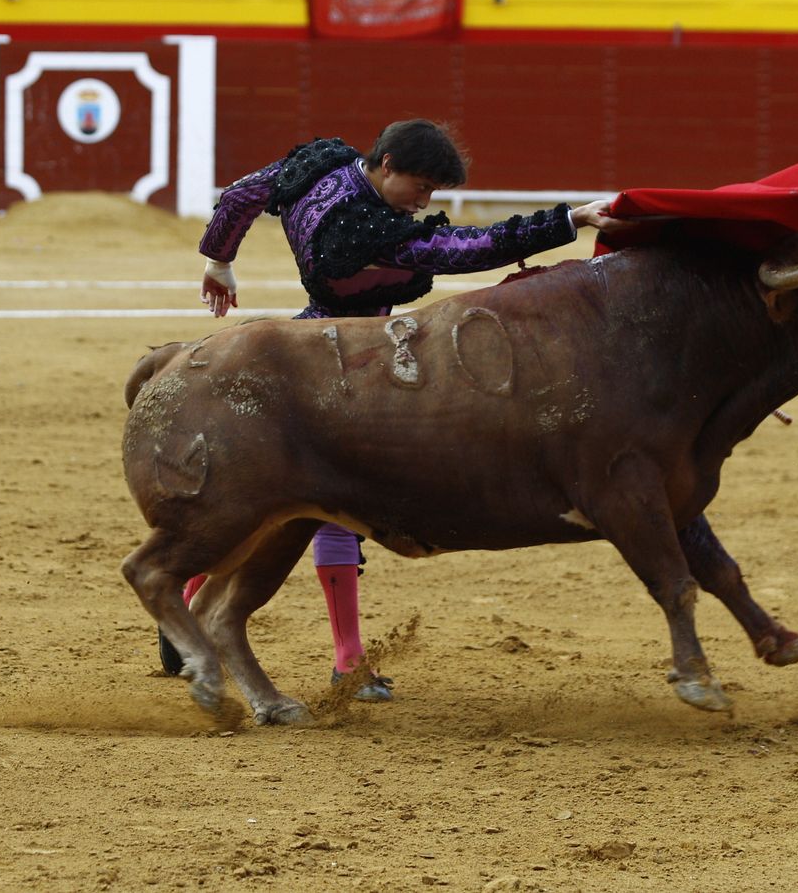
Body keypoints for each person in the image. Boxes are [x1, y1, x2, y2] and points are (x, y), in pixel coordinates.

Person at [164, 121, 626, 699]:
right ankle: (347, 658)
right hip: (359, 359)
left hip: (313, 336)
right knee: (336, 500)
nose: (424, 201)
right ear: (386, 164)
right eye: (420, 185)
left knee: (273, 496)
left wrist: (218, 260)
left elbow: (240, 196)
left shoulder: (322, 167)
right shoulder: (370, 231)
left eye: (433, 190)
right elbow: (467, 249)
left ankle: (185, 607)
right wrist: (567, 220)